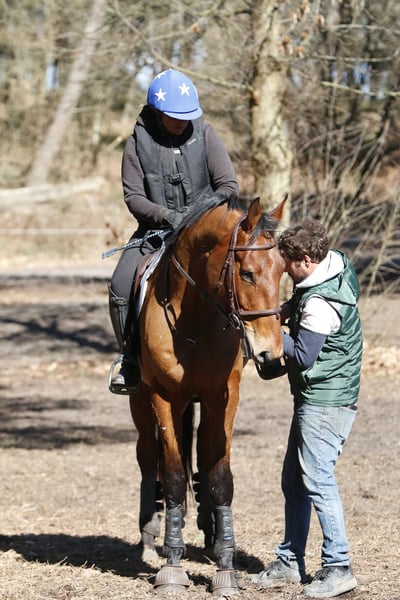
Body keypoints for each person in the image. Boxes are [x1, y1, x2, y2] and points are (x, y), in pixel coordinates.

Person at [248, 218, 363, 598]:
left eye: (288, 264)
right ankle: (290, 561)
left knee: (317, 480)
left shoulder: (320, 303)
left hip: (326, 402)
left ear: (306, 261)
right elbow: (295, 306)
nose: (284, 271)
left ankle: (339, 567)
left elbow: (302, 355)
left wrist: (271, 331)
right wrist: (279, 311)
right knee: (295, 481)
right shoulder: (327, 273)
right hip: (315, 398)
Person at [108, 68, 239, 394]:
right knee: (120, 284)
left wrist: (200, 215)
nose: (182, 122)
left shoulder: (204, 133)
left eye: (187, 116)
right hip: (155, 232)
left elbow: (228, 184)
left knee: (241, 272)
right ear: (157, 112)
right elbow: (133, 197)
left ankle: (246, 348)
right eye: (175, 117)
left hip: (204, 232)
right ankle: (129, 359)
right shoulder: (137, 142)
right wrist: (167, 216)